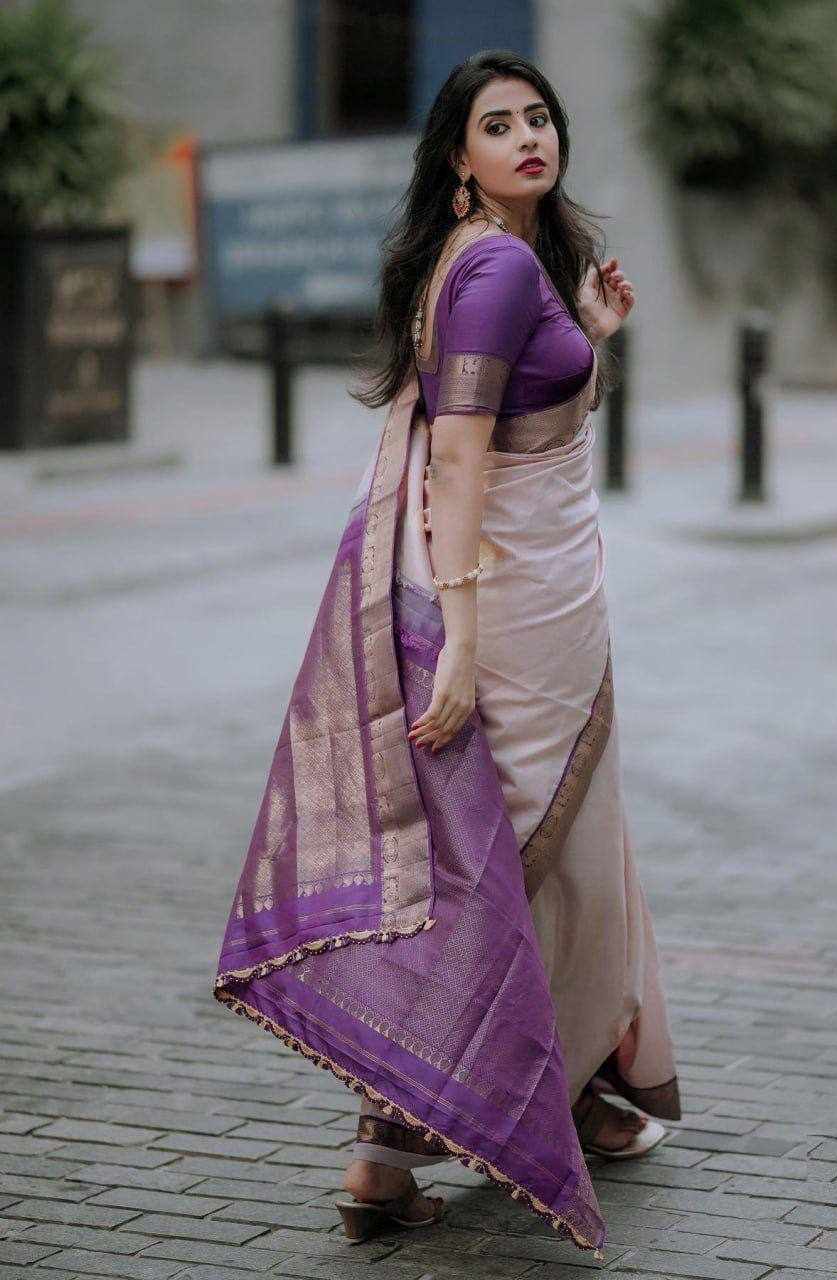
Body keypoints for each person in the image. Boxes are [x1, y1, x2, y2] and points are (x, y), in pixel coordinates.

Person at [212, 50, 680, 1260]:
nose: (529, 137)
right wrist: (462, 640)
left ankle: (567, 1087)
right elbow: (464, 455)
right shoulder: (496, 266)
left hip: (548, 592)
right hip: (515, 608)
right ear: (458, 159)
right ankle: (388, 1144)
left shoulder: (503, 263)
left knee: (558, 854)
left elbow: (524, 421)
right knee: (512, 865)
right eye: (498, 124)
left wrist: (589, 334)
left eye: (540, 117)